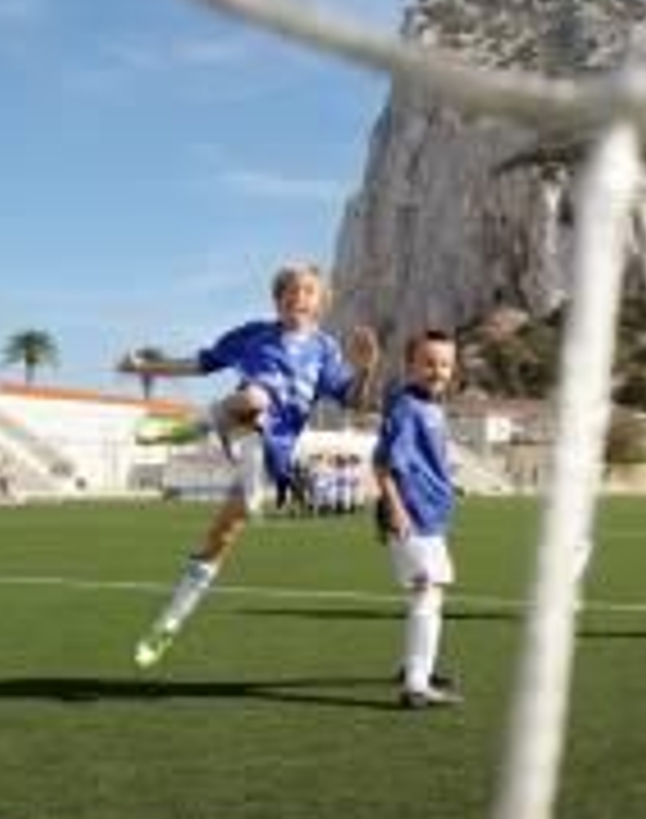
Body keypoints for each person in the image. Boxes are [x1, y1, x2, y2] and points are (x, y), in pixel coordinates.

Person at [120, 262, 379, 668]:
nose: (298, 297)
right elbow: (200, 363)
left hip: (276, 447)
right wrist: (144, 367)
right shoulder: (253, 335)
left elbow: (356, 402)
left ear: (321, 302)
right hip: (240, 422)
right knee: (256, 397)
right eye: (290, 290)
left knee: (223, 534)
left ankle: (168, 622)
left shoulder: (325, 349)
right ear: (277, 299)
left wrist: (366, 369)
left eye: (308, 291)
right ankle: (189, 427)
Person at [374, 330, 462, 710]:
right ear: (410, 365)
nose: (437, 370)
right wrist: (396, 509)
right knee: (428, 592)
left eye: (445, 364)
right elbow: (382, 465)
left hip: (430, 517)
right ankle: (416, 685)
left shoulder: (432, 407)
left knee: (427, 593)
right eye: (428, 363)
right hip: (413, 517)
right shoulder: (407, 408)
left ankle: (415, 667)